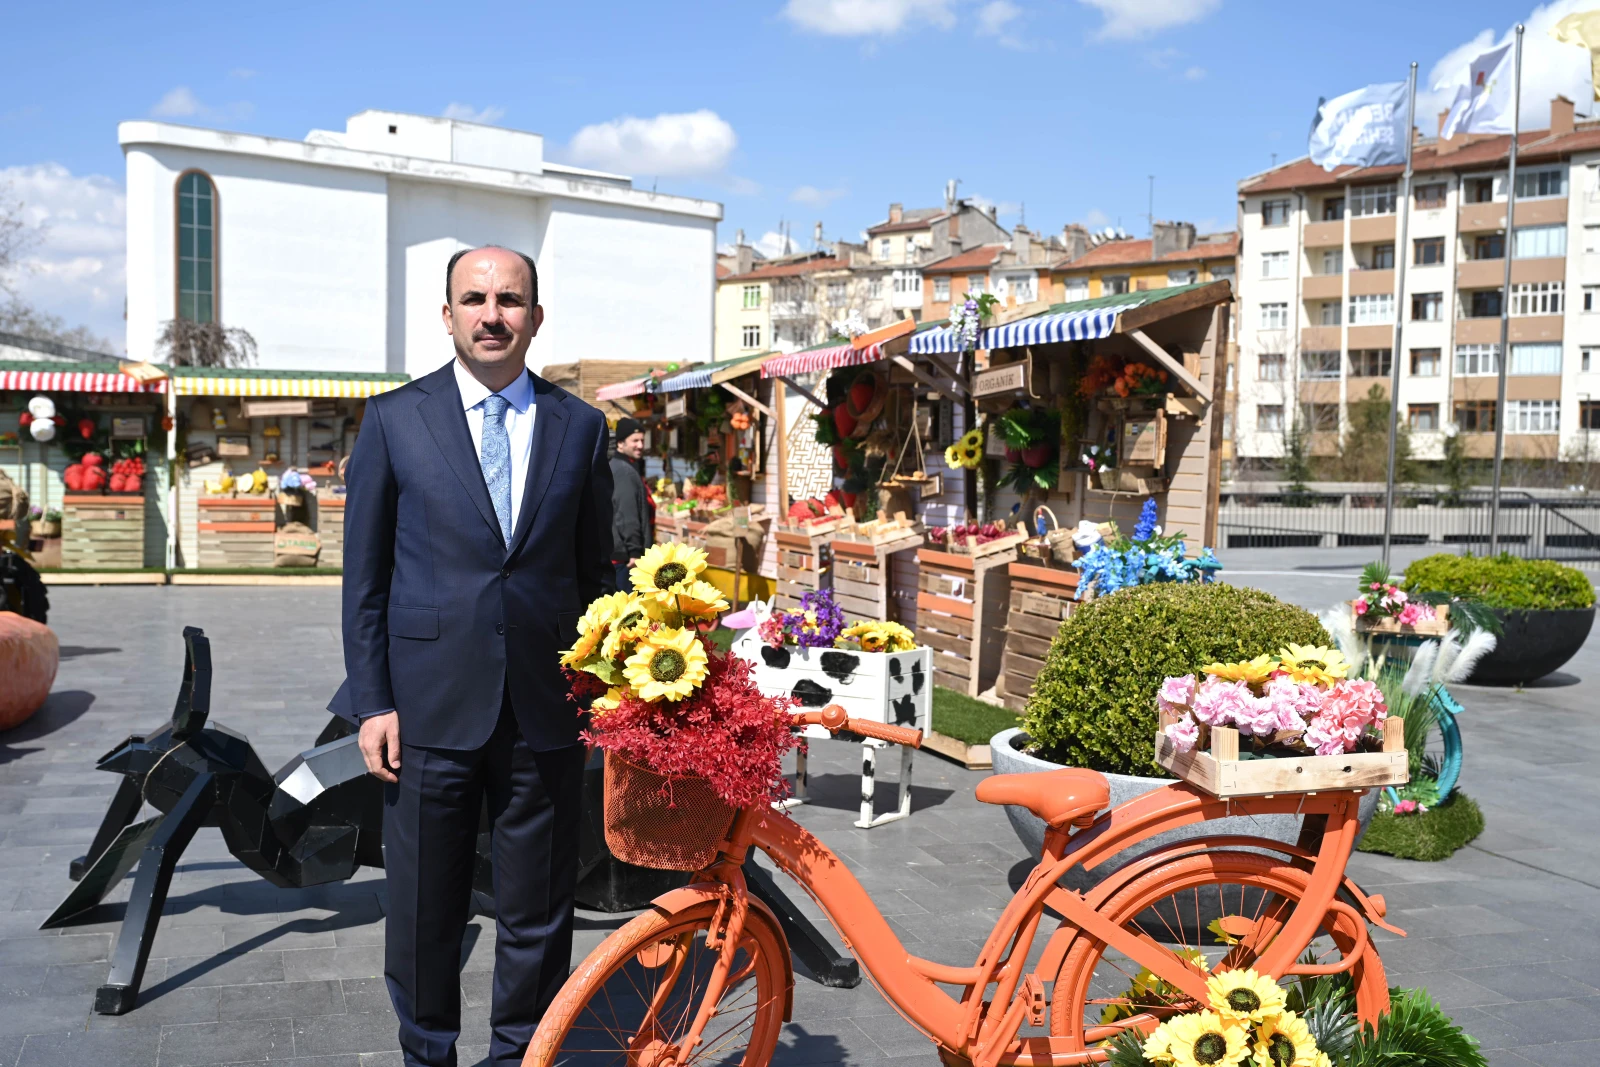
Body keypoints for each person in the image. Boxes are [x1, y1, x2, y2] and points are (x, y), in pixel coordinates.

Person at [341, 245, 614, 1067]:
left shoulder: (582, 427)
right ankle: (427, 1050)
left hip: (544, 709)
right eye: (474, 298)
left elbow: (599, 574)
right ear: (448, 312)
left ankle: (521, 1053)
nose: (491, 314)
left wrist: (607, 694)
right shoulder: (395, 419)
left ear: (536, 314)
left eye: (509, 299)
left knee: (539, 907)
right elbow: (366, 580)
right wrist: (372, 701)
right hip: (425, 708)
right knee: (425, 906)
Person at [609, 416, 651, 591]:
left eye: (642, 440)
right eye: (635, 441)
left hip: (622, 555)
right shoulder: (624, 471)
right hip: (626, 559)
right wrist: (634, 551)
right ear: (620, 444)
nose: (640, 445)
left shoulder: (624, 466)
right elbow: (627, 514)